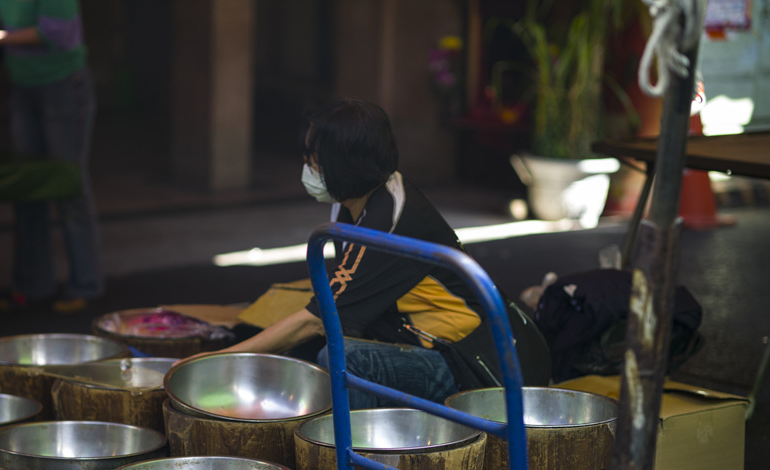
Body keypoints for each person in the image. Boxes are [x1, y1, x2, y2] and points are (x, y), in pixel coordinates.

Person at [206, 99, 547, 408]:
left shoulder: (389, 223)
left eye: (315, 159)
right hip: (426, 344)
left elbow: (316, 320)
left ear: (343, 164)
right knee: (306, 350)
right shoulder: (357, 203)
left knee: (344, 358)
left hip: (479, 365)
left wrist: (212, 363)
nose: (308, 166)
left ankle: (366, 455)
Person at [0, 0, 104, 313]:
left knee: (69, 186)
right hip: (24, 84)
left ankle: (86, 284)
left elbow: (57, 32)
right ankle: (32, 286)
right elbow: (7, 9)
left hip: (64, 84)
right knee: (30, 187)